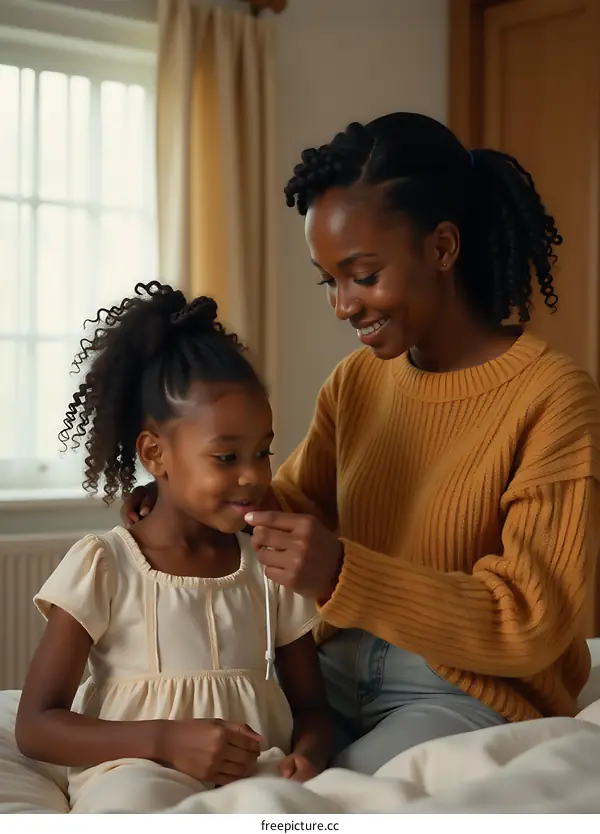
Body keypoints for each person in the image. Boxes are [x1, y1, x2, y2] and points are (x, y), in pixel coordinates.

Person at [124, 113, 600, 776]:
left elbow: (529, 620)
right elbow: (285, 504)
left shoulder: (554, 398)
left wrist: (342, 572)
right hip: (329, 674)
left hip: (463, 691)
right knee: (204, 776)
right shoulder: (357, 382)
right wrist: (187, 497)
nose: (343, 305)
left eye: (364, 275)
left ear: (442, 248)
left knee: (332, 800)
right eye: (330, 280)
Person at [15, 282, 330, 813]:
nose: (254, 476)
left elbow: (313, 709)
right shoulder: (105, 565)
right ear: (155, 454)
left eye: (263, 452)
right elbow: (36, 725)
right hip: (135, 772)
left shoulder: (270, 567)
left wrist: (309, 756)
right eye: (226, 457)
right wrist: (164, 741)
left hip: (253, 775)